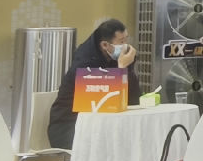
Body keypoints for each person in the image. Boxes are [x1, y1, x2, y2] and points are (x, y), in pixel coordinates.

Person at [48, 19, 140, 149]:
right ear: (105, 45)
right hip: (70, 126)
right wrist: (122, 68)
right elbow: (106, 102)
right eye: (121, 42)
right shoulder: (84, 63)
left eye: (126, 40)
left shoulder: (114, 57)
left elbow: (133, 98)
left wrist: (128, 68)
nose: (126, 46)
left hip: (99, 124)